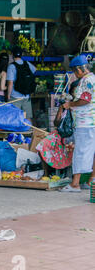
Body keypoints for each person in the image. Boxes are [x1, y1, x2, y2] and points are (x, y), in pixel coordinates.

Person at [60, 55, 95, 192]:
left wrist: (70, 104)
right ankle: (91, 180)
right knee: (91, 152)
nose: (75, 74)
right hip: (91, 121)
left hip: (85, 122)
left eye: (75, 71)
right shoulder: (93, 78)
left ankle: (75, 184)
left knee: (80, 152)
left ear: (80, 69)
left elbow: (85, 100)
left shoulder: (86, 81)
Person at [6, 46, 37, 121]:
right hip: (26, 96)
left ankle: (16, 133)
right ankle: (29, 131)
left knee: (15, 118)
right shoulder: (27, 63)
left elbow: (10, 83)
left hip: (15, 96)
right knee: (27, 117)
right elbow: (35, 69)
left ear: (12, 55)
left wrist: (8, 96)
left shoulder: (11, 66)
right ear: (21, 54)